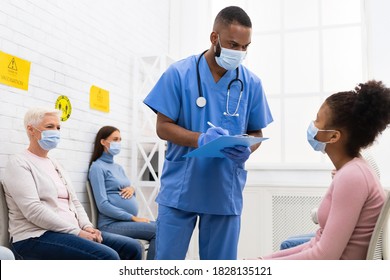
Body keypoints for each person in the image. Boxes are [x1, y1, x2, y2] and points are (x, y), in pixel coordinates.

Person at [143, 6, 273, 260]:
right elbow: (163, 126)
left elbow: (256, 130)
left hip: (224, 189)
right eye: (233, 44)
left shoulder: (251, 83)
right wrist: (200, 139)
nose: (239, 52)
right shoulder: (179, 74)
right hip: (181, 186)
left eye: (245, 47)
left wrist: (247, 147)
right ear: (214, 38)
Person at [260, 80, 390, 260]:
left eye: (317, 120)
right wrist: (261, 262)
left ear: (334, 136)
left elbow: (324, 256)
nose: (312, 125)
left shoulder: (353, 176)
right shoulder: (352, 169)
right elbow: (317, 243)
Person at [3, 107, 142, 260]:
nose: (56, 132)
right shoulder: (18, 163)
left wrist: (87, 227)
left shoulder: (56, 164)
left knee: (132, 248)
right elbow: (33, 210)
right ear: (31, 130)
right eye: (50, 127)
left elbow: (74, 202)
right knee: (108, 257)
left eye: (58, 127)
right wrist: (76, 232)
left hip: (68, 232)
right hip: (34, 237)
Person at [88, 126, 156, 260]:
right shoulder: (97, 167)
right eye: (115, 139)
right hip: (110, 225)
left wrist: (132, 189)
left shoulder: (118, 167)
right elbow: (102, 205)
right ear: (103, 142)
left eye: (120, 140)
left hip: (125, 222)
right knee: (158, 230)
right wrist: (132, 218)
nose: (118, 143)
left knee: (162, 226)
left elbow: (127, 193)